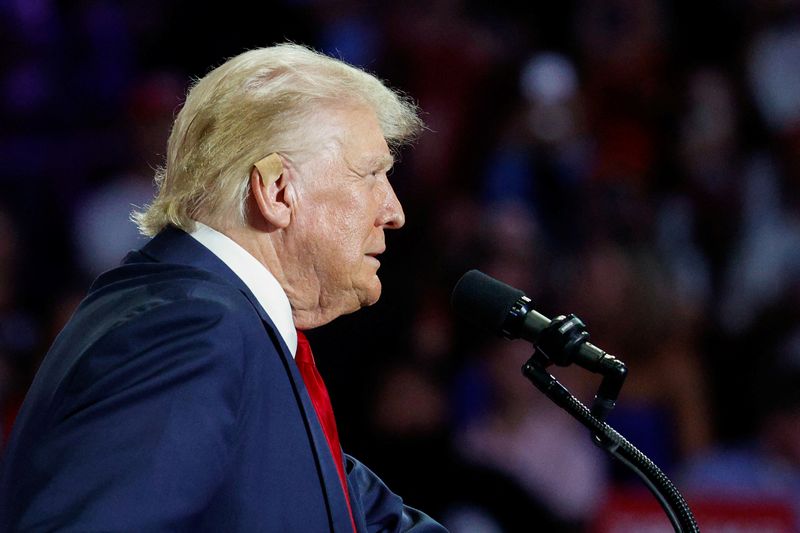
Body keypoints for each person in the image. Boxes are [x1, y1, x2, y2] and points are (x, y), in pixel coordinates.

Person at [0, 43, 446, 532]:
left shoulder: (229, 326)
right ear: (277, 191)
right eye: (372, 175)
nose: (394, 211)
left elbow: (364, 518)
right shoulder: (190, 327)